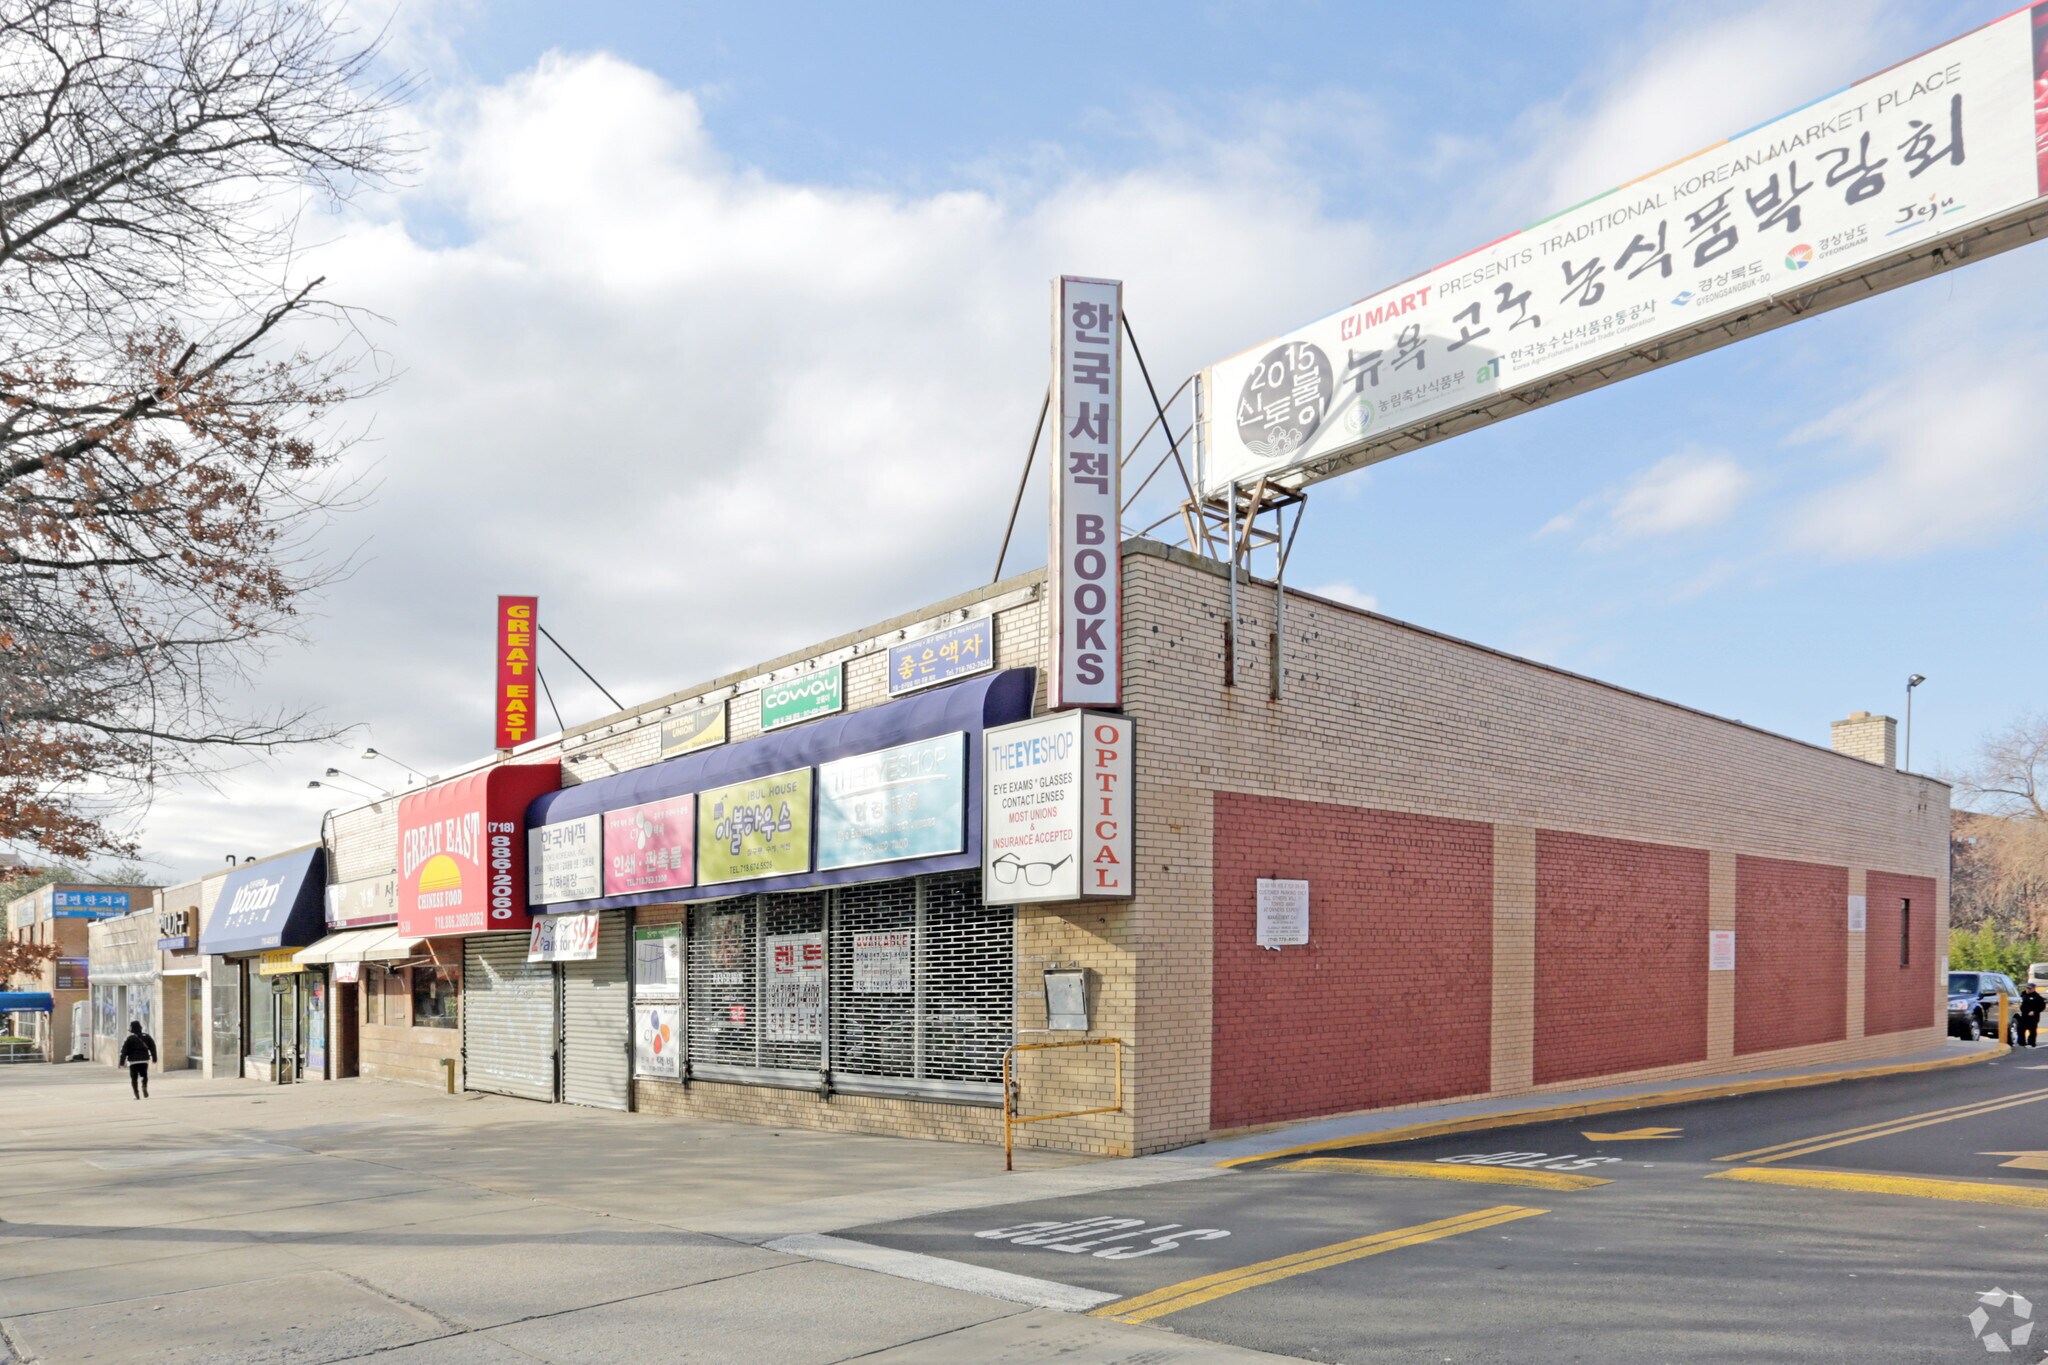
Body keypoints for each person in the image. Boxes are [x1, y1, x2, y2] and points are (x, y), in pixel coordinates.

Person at [118, 1021, 157, 1098]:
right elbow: (153, 1047)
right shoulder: (146, 1036)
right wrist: (154, 1058)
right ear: (140, 1027)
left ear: (132, 1028)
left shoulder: (129, 1038)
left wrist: (121, 1062)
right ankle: (144, 1085)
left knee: (134, 1078)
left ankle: (136, 1094)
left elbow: (124, 1051)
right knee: (144, 1075)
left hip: (133, 1061)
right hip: (144, 1060)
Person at [2020, 982, 2045, 1049]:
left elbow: (2042, 1006)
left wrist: (2034, 1011)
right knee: (2021, 1029)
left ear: (2034, 989)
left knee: (2032, 1030)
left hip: (2033, 1017)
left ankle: (2031, 1042)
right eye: (2027, 988)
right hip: (2023, 1016)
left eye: (2030, 988)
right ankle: (2021, 1042)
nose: (2028, 990)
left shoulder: (2037, 997)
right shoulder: (2022, 995)